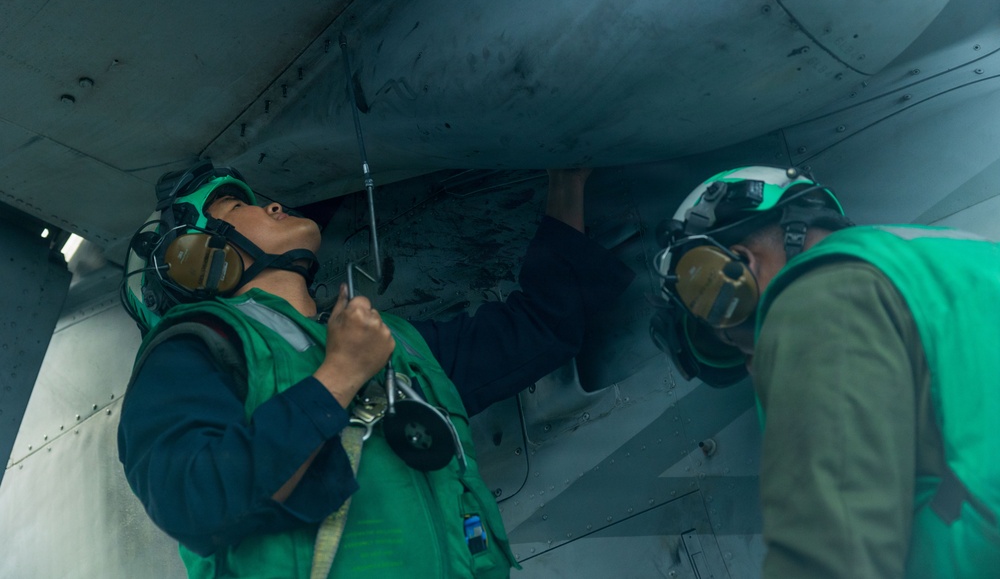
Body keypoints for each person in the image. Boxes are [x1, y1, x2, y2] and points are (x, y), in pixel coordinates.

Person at [117, 160, 633, 579]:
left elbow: (541, 328)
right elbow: (192, 498)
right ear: (195, 258)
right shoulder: (194, 348)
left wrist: (565, 179)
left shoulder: (395, 344)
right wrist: (339, 375)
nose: (272, 203)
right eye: (238, 205)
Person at [650, 165, 1000, 579]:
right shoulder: (954, 262)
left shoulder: (817, 295)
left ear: (736, 265)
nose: (753, 363)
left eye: (742, 339)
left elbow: (831, 553)